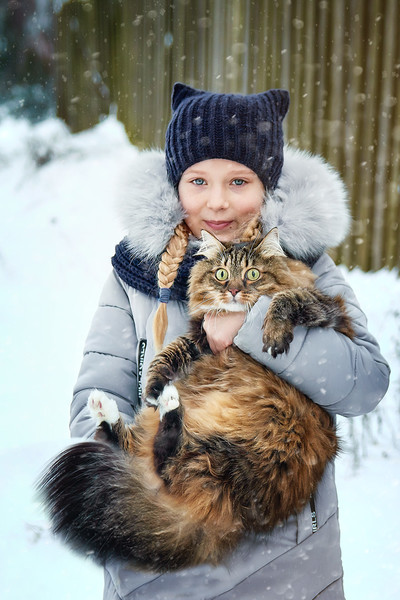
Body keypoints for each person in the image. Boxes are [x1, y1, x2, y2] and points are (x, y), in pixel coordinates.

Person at [70, 83, 390, 600]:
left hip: (286, 561)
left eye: (239, 181)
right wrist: (134, 476)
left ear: (268, 185)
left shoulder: (305, 261)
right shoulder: (135, 275)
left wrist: (250, 324)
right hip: (159, 566)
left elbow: (365, 384)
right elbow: (96, 395)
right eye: (198, 181)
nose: (217, 201)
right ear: (176, 184)